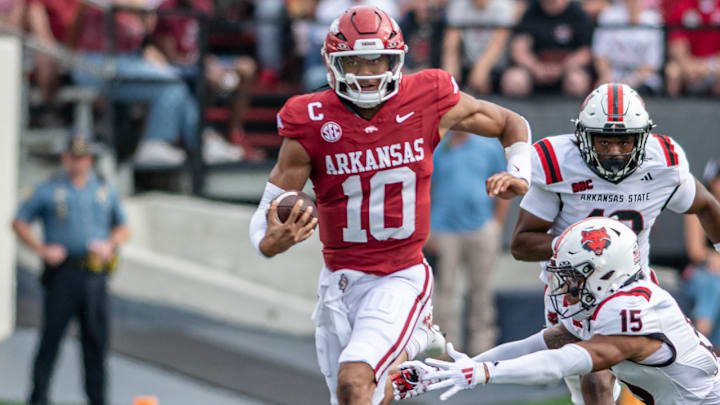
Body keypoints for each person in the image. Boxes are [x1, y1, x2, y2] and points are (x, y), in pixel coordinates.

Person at [248, 5, 533, 405]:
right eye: (355, 62)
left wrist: (520, 170)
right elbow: (267, 209)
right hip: (339, 280)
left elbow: (510, 123)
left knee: (354, 381)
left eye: (376, 60)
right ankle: (416, 345)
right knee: (360, 396)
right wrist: (268, 242)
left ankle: (416, 334)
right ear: (332, 65)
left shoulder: (428, 95)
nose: (366, 73)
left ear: (395, 60)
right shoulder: (309, 119)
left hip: (400, 274)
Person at [502, 82, 720, 405]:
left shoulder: (662, 163)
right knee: (593, 388)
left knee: (622, 382)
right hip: (575, 295)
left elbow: (705, 205)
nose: (616, 152)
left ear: (642, 137)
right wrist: (580, 246)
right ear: (583, 136)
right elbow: (521, 244)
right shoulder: (558, 162)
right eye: (605, 140)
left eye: (625, 141)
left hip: (634, 287)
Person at [394, 217, 720, 404]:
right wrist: (460, 367)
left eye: (575, 276)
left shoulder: (630, 310)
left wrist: (486, 374)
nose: (566, 286)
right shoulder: (614, 296)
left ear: (606, 274)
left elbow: (564, 361)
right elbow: (542, 344)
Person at [12, 135, 130, 405]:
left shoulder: (102, 189)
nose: (78, 163)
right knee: (51, 339)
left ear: (90, 160)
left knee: (96, 342)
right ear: (65, 159)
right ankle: (38, 397)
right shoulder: (50, 189)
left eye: (84, 158)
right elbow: (19, 221)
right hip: (63, 273)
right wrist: (41, 249)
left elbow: (122, 227)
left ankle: (98, 399)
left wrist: (109, 244)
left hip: (94, 274)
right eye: (73, 158)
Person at [429, 130, 510, 354]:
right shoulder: (436, 146)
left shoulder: (489, 146)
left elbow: (503, 187)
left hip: (481, 229)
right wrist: (428, 231)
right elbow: (426, 189)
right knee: (444, 292)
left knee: (481, 290)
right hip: (443, 230)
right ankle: (445, 350)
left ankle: (482, 350)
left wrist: (496, 226)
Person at [501, 0, 593, 97]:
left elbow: (585, 52)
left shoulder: (578, 13)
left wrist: (562, 68)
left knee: (577, 81)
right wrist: (535, 67)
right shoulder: (531, 12)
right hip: (534, 69)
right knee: (514, 80)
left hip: (568, 69)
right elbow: (519, 49)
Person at [442, 0, 516, 95]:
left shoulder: (503, 5)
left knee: (514, 85)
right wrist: (450, 76)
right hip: (468, 65)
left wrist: (481, 70)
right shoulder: (458, 4)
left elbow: (498, 43)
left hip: (496, 67)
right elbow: (451, 45)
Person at [684, 158, 720, 349]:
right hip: (700, 275)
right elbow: (696, 252)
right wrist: (712, 257)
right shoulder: (698, 210)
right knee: (714, 281)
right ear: (711, 182)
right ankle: (701, 331)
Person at [592, 0, 664, 94]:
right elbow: (599, 53)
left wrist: (630, 81)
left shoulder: (654, 19)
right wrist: (605, 75)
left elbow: (653, 63)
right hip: (613, 74)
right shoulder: (608, 15)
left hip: (643, 79)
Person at [665, 0, 720, 97]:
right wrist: (687, 64)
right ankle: (674, 110)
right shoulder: (684, 5)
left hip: (714, 63)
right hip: (688, 62)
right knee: (672, 72)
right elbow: (676, 40)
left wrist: (709, 65)